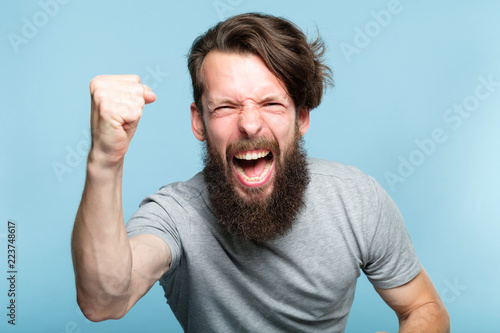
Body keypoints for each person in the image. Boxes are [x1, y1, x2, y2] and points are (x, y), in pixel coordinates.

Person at [71, 13, 450, 332]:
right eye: (224, 108)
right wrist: (105, 160)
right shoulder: (174, 215)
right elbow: (104, 300)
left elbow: (423, 307)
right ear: (198, 122)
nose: (250, 124)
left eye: (270, 103)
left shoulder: (357, 201)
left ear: (300, 118)